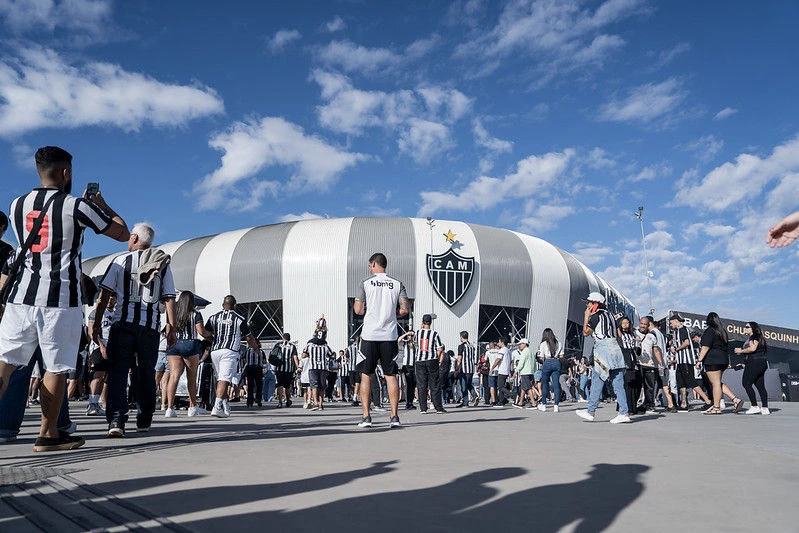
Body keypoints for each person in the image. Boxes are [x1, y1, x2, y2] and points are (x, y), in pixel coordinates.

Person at [0, 146, 129, 451]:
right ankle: (47, 434)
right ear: (66, 173)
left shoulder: (17, 205)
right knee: (54, 368)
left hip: (21, 297)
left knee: (5, 365)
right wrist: (101, 203)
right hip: (60, 299)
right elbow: (123, 234)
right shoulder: (76, 206)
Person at [95, 222, 176, 436]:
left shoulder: (120, 260)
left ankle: (116, 420)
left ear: (133, 238)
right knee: (147, 373)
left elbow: (104, 295)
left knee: (118, 372)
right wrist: (172, 326)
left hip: (123, 324)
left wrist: (96, 323)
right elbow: (169, 297)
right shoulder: (162, 263)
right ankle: (144, 418)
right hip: (149, 327)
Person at [353, 253, 410, 428]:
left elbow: (358, 310)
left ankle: (366, 417)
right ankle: (394, 417)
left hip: (370, 335)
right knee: (391, 375)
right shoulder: (397, 284)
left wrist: (368, 312)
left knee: (366, 375)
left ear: (373, 264)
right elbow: (405, 309)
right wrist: (391, 314)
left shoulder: (365, 283)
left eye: (370, 265)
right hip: (389, 335)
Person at [576, 292, 630, 424]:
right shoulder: (611, 315)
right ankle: (624, 412)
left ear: (595, 304)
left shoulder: (595, 316)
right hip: (615, 348)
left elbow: (585, 333)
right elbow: (618, 335)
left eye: (589, 303)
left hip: (603, 349)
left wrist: (586, 317)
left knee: (597, 379)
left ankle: (591, 411)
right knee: (618, 383)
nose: (587, 305)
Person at [204, 295, 259, 418]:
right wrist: (255, 348)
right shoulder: (239, 319)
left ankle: (224, 405)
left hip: (215, 351)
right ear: (235, 305)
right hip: (230, 350)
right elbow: (249, 337)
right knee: (225, 379)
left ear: (223, 305)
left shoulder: (213, 317)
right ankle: (217, 407)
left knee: (222, 379)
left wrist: (212, 339)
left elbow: (204, 332)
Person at [165, 291, 212, 417]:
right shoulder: (195, 313)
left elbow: (168, 330)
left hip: (174, 345)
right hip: (190, 344)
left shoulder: (172, 312)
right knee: (192, 377)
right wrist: (211, 336)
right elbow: (201, 331)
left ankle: (169, 408)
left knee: (174, 376)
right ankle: (192, 406)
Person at [696, 312, 743, 415]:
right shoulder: (722, 332)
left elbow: (705, 347)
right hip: (723, 360)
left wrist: (699, 361)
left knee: (715, 383)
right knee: (717, 382)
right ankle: (735, 399)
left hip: (712, 360)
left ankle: (716, 407)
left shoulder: (709, 331)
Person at [668, 314, 710, 411]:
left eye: (671, 323)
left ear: (675, 321)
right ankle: (683, 403)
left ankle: (708, 401)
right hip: (680, 361)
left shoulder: (682, 329)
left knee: (691, 382)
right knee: (681, 383)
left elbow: (686, 342)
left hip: (686, 361)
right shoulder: (678, 331)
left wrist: (676, 349)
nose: (670, 325)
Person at [86, 293, 117, 416]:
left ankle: (103, 402)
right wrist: (101, 346)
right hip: (99, 346)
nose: (110, 300)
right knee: (98, 374)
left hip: (112, 347)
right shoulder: (97, 312)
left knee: (107, 377)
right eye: (108, 298)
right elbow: (91, 332)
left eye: (113, 298)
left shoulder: (115, 314)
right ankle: (92, 403)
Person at [735, 321, 770, 415]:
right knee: (760, 386)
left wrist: (741, 351)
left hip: (754, 362)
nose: (745, 328)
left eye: (747, 327)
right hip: (761, 362)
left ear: (753, 328)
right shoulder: (760, 337)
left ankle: (754, 406)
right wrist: (743, 363)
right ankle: (765, 408)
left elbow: (752, 348)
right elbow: (754, 351)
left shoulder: (753, 337)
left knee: (746, 383)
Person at [413, 314, 445, 415]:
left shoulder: (417, 333)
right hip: (431, 359)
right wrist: (436, 357)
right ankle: (438, 407)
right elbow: (440, 348)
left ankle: (423, 408)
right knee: (434, 384)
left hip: (419, 360)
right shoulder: (434, 334)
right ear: (431, 322)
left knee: (421, 384)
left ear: (423, 322)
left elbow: (415, 344)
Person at [644, 315, 677, 412]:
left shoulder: (652, 333)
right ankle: (671, 405)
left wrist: (660, 364)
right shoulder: (660, 333)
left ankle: (650, 405)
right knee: (664, 385)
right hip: (662, 363)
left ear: (649, 323)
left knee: (651, 385)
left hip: (656, 364)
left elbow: (655, 350)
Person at [304, 318, 334, 411]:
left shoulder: (310, 344)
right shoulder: (325, 345)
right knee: (322, 386)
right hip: (323, 367)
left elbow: (304, 355)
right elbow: (332, 355)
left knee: (314, 385)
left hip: (313, 367)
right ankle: (321, 404)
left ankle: (315, 402)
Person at [617, 317, 641, 415]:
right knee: (626, 384)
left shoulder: (632, 334)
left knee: (634, 385)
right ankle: (625, 408)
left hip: (633, 360)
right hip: (624, 359)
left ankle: (632, 407)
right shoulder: (619, 334)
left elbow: (637, 351)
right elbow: (620, 342)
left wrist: (638, 342)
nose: (626, 324)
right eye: (623, 322)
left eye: (627, 322)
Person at [537, 328, 563, 413]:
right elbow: (561, 356)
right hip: (556, 361)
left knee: (545, 384)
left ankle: (544, 404)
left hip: (547, 362)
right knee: (556, 384)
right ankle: (556, 405)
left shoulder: (543, 344)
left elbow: (540, 357)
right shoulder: (559, 343)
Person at [273, 333, 299, 408]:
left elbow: (273, 354)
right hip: (289, 369)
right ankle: (287, 400)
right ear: (289, 339)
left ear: (283, 338)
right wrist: (298, 367)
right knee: (287, 386)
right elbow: (295, 357)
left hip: (279, 368)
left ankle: (280, 402)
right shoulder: (292, 346)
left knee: (280, 385)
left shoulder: (278, 345)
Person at [455, 331, 479, 408]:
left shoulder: (461, 346)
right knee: (468, 384)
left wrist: (456, 369)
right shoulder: (472, 346)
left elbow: (459, 358)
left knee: (463, 385)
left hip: (464, 368)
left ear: (461, 337)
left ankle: (465, 402)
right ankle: (475, 396)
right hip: (471, 368)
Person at [512, 338, 537, 409]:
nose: (520, 345)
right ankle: (520, 402)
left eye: (521, 344)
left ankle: (533, 403)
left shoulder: (524, 352)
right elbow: (534, 363)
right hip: (530, 372)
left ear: (525, 344)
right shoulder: (531, 352)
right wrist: (534, 371)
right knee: (524, 387)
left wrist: (516, 371)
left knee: (528, 388)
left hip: (525, 372)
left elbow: (521, 363)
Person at [398, 331, 417, 409]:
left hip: (415, 365)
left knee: (413, 385)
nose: (411, 337)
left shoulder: (416, 344)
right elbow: (398, 340)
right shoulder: (405, 343)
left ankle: (411, 402)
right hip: (407, 366)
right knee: (408, 384)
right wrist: (406, 334)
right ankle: (408, 403)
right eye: (410, 335)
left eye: (412, 335)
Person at [491, 337, 512, 407]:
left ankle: (513, 395)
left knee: (500, 387)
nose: (498, 343)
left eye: (499, 342)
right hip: (507, 369)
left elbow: (498, 360)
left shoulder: (502, 350)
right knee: (501, 386)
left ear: (502, 342)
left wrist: (492, 368)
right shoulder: (508, 350)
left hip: (502, 370)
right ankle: (502, 400)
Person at [242, 342, 265, 408]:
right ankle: (255, 399)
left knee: (253, 385)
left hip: (252, 368)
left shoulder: (248, 351)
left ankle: (252, 400)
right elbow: (264, 361)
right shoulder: (260, 351)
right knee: (256, 385)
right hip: (255, 368)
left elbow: (244, 359)